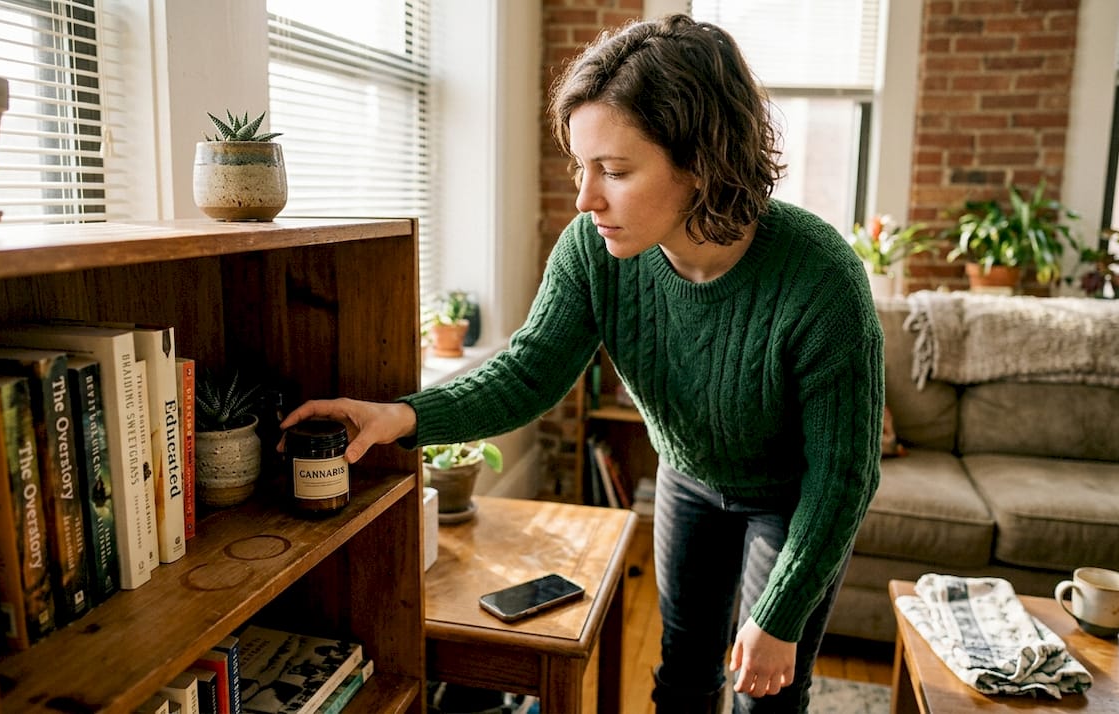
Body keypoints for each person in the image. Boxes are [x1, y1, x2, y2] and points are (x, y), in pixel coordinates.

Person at [281, 13, 883, 714]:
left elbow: (845, 475)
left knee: (768, 692)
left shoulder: (822, 278)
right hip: (688, 480)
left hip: (795, 498)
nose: (585, 197)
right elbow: (527, 374)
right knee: (684, 677)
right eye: (581, 166)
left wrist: (779, 616)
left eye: (615, 171)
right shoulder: (591, 250)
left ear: (701, 164)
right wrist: (401, 416)